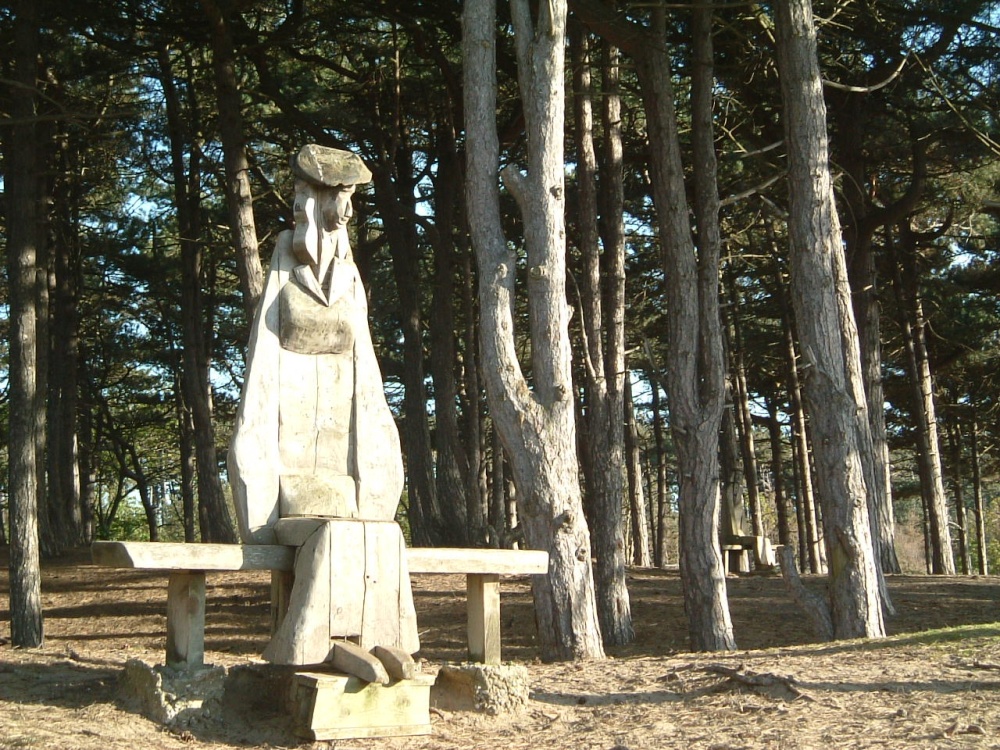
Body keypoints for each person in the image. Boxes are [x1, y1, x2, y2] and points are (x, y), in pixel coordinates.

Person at [228, 145, 418, 665]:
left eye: (352, 197)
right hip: (289, 499)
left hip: (347, 491)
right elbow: (260, 381)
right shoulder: (284, 265)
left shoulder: (350, 277)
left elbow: (369, 384)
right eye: (339, 196)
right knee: (333, 536)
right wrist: (256, 487)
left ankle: (383, 641)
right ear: (313, 198)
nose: (348, 211)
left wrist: (380, 483)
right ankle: (307, 645)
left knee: (382, 535)